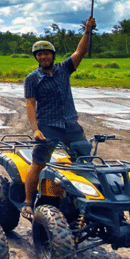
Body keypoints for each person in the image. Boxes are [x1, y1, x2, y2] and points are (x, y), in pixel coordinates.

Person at [22, 16, 97, 220]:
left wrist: (87, 31)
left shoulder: (65, 69)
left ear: (52, 55)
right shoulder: (32, 79)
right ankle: (28, 201)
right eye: (39, 55)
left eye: (46, 53)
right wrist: (35, 129)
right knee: (38, 163)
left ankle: (84, 199)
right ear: (36, 58)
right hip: (49, 126)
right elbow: (30, 104)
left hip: (71, 124)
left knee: (85, 159)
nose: (43, 57)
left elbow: (80, 52)